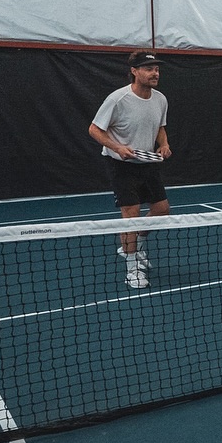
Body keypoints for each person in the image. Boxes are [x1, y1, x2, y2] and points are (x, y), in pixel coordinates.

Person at [89, 50, 172, 289]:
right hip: (120, 164)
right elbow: (94, 129)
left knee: (162, 210)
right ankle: (132, 268)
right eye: (149, 69)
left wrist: (164, 144)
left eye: (156, 68)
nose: (155, 73)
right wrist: (118, 147)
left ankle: (135, 247)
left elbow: (160, 127)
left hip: (147, 161)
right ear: (134, 72)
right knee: (130, 215)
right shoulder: (117, 99)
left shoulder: (160, 99)